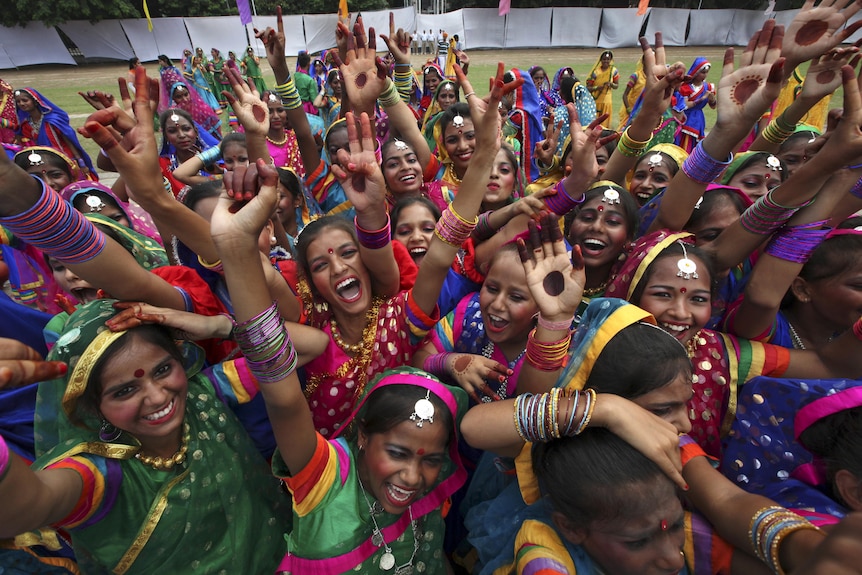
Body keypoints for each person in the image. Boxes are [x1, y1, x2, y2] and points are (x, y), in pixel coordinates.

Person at [0, 299, 291, 573]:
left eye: (163, 369)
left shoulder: (204, 394)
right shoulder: (99, 473)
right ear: (94, 408)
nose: (156, 397)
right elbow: (21, 510)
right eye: (125, 391)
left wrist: (218, 326)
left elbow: (309, 346)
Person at [14, 88, 97, 181]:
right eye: (18, 102)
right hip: (45, 163)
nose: (21, 104)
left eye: (25, 100)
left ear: (35, 101)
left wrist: (81, 162)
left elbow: (69, 140)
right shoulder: (25, 125)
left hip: (66, 159)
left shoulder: (53, 120)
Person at [672, 57, 716, 153]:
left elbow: (713, 106)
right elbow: (685, 105)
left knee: (694, 145)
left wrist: (712, 100)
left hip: (699, 119)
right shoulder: (686, 87)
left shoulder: (708, 87)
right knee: (684, 142)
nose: (704, 75)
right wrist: (702, 98)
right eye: (702, 72)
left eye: (706, 72)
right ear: (696, 72)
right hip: (687, 117)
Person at [586, 50, 619, 120]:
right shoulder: (596, 72)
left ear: (611, 60)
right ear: (601, 60)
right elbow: (588, 88)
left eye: (608, 59)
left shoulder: (613, 71)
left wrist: (611, 84)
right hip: (596, 100)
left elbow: (616, 86)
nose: (606, 61)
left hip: (607, 101)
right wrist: (597, 88)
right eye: (604, 59)